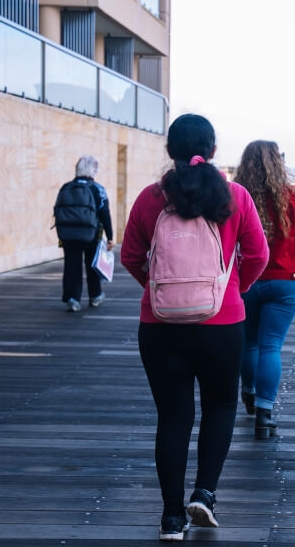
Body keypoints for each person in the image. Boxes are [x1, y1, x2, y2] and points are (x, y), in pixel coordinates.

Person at [120, 114, 269, 541]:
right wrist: (230, 288)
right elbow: (257, 255)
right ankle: (204, 493)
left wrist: (160, 290)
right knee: (220, 408)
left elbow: (131, 255)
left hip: (160, 324)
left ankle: (171, 518)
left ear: (170, 151)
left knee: (173, 415)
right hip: (222, 324)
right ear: (214, 149)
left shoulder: (151, 198)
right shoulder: (236, 195)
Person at [233, 140, 295, 439]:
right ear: (279, 162)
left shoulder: (235, 196)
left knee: (249, 344)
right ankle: (265, 413)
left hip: (245, 280)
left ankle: (248, 391)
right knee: (271, 345)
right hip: (285, 280)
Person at [55, 155, 114, 312]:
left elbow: (58, 210)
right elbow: (105, 215)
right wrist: (110, 236)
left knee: (71, 265)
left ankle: (72, 299)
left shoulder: (65, 187)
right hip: (91, 234)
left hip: (68, 234)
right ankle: (95, 296)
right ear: (93, 170)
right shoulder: (97, 189)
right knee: (93, 264)